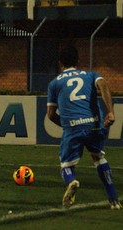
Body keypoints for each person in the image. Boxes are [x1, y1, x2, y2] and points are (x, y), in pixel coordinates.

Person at [47, 46, 121, 210]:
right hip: (94, 125)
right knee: (99, 157)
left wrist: (68, 125)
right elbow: (104, 85)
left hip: (72, 128)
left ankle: (71, 181)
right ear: (78, 61)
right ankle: (113, 199)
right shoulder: (90, 75)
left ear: (60, 63)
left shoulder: (54, 83)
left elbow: (51, 114)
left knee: (66, 166)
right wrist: (110, 112)